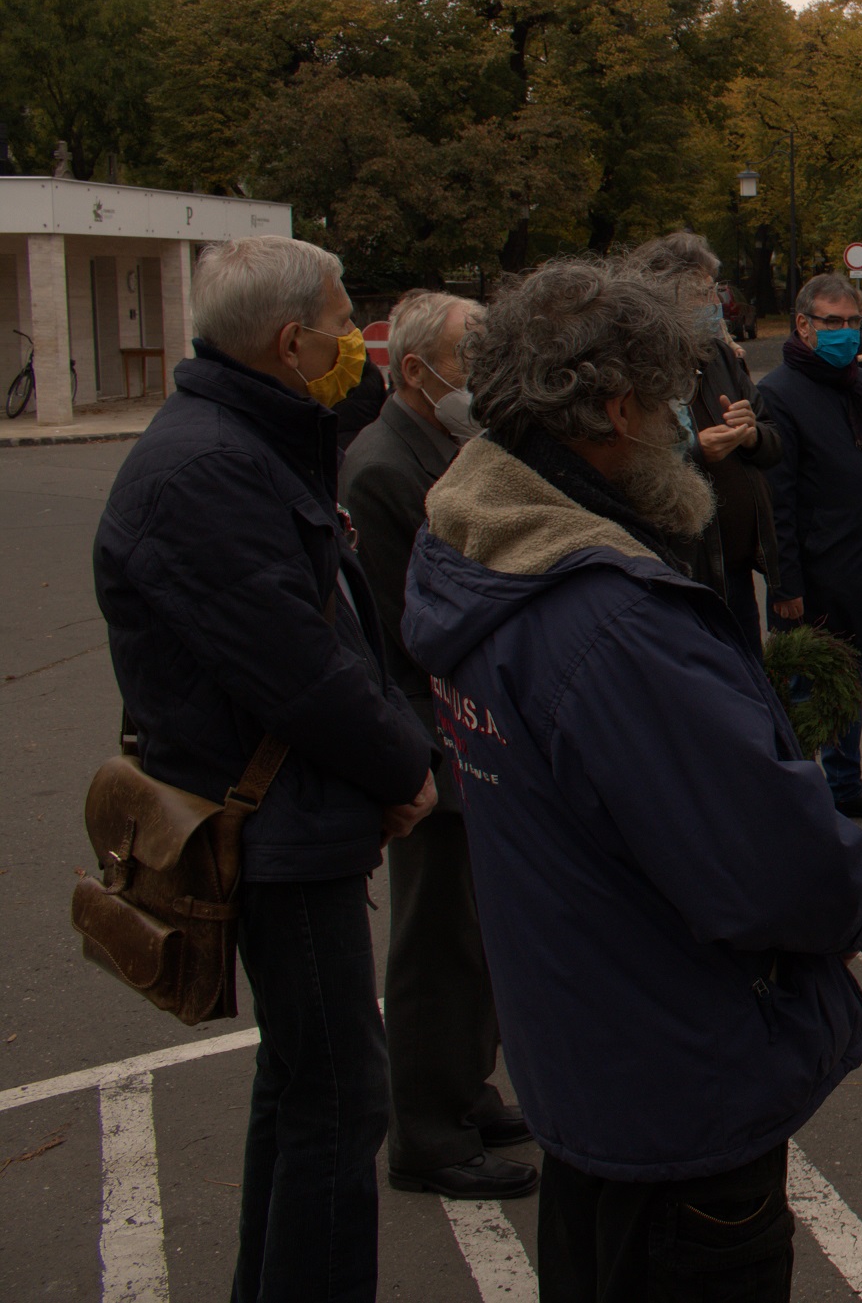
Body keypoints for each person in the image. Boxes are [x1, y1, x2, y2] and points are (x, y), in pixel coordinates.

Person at [401, 257, 862, 1303]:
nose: (683, 419)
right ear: (615, 408)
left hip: (583, 1054)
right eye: (669, 396)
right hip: (673, 1081)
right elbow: (776, 868)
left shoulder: (475, 548)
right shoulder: (610, 624)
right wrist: (849, 881)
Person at [93, 235, 439, 1302]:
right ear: (292, 342)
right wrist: (403, 769)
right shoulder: (207, 468)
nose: (354, 343)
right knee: (341, 1095)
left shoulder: (245, 438)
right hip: (277, 826)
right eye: (343, 322)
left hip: (292, 813)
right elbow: (300, 669)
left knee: (302, 1083)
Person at [335, 289, 534, 1202]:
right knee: (437, 943)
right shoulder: (382, 465)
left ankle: (464, 1089)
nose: (485, 376)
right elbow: (397, 630)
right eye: (473, 357)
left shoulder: (448, 445)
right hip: (432, 734)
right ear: (416, 372)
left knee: (480, 936)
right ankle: (424, 1130)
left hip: (469, 723)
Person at [758, 273, 862, 820]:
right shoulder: (778, 394)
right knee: (807, 692)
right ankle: (799, 803)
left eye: (854, 323)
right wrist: (784, 586)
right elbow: (775, 503)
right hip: (813, 577)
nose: (846, 333)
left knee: (854, 685)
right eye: (833, 323)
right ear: (804, 325)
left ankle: (845, 789)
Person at [628, 232, 784, 641]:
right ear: (661, 299)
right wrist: (697, 452)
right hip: (680, 570)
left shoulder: (718, 358)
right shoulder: (637, 369)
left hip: (734, 569)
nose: (715, 304)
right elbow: (628, 468)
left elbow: (773, 441)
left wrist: (751, 435)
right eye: (701, 294)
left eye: (714, 291)